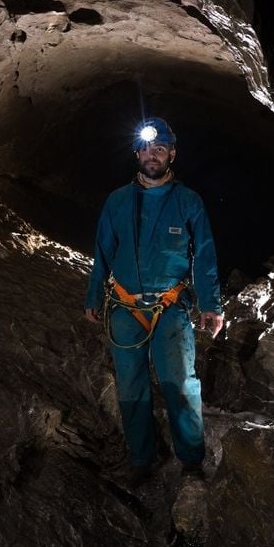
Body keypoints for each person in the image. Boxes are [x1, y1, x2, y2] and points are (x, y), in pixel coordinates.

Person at [84, 117, 223, 486]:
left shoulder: (188, 201)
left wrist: (211, 304)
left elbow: (205, 255)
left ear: (171, 154)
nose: (152, 154)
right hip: (125, 307)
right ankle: (141, 460)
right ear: (136, 153)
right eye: (145, 148)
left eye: (159, 148)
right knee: (131, 386)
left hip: (170, 308)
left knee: (180, 383)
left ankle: (191, 461)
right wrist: (93, 294)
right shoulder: (117, 201)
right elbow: (102, 252)